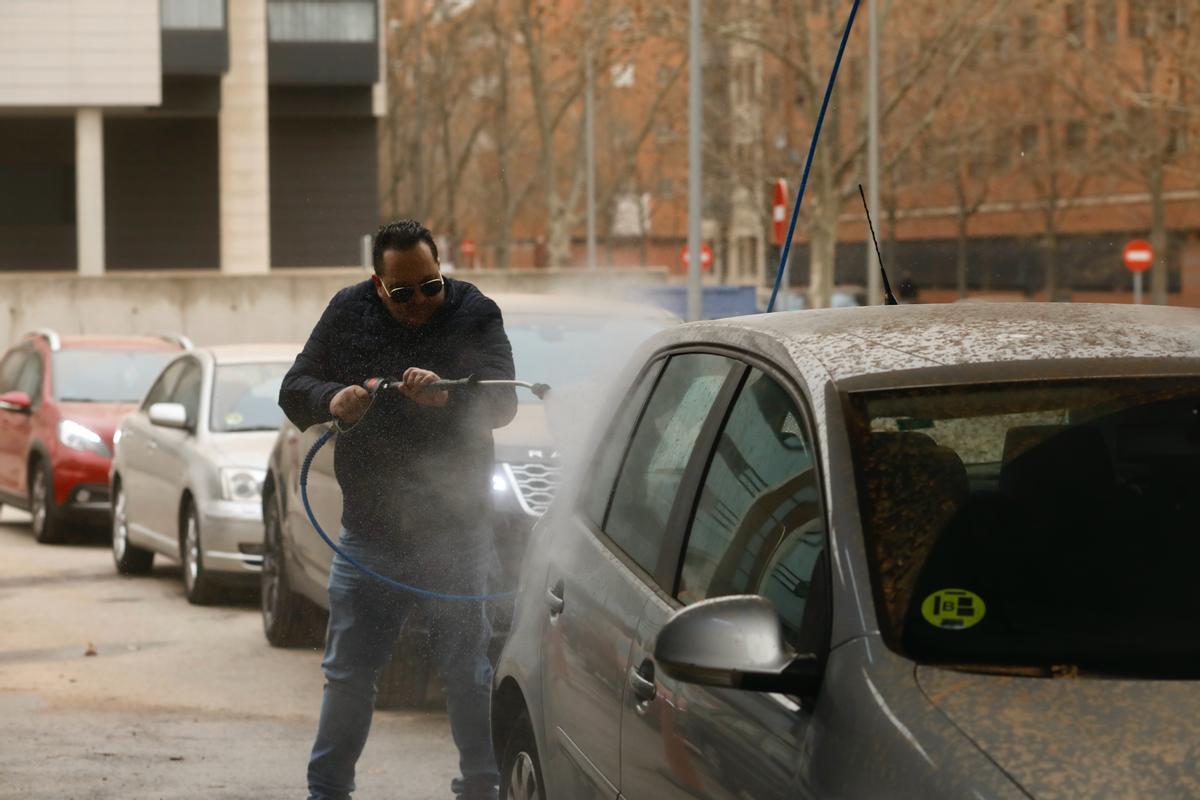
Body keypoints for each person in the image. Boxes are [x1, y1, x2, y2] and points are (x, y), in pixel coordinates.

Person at [279, 219, 517, 800]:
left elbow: (505, 401)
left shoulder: (474, 310)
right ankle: (327, 791)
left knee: (467, 671)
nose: (420, 304)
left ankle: (481, 789)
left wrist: (449, 398)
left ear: (442, 269)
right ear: (377, 285)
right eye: (403, 293)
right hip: (370, 532)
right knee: (349, 674)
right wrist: (331, 399)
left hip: (455, 532)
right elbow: (294, 388)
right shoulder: (347, 311)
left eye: (430, 286)